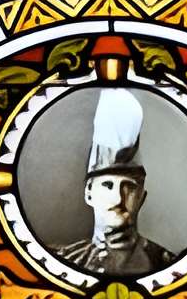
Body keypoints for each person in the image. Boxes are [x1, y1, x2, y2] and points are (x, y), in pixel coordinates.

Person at [47, 88, 178, 278]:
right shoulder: (61, 262)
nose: (118, 198)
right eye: (107, 185)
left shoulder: (166, 265)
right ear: (88, 192)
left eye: (129, 187)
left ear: (142, 197)